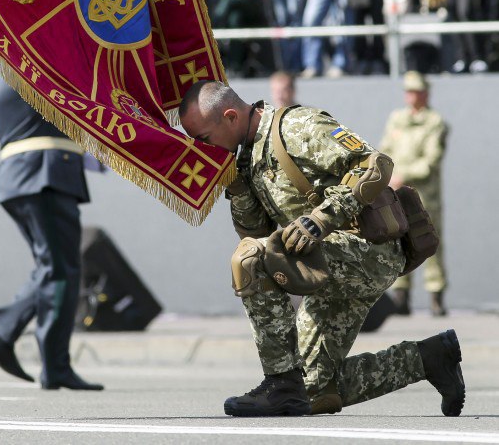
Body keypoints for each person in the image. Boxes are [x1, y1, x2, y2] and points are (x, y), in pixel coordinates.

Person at [178, 80, 464, 417]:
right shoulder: (246, 158)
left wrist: (321, 219)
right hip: (326, 262)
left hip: (368, 249)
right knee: (312, 390)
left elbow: (375, 165)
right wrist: (237, 186)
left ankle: (279, 383)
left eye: (204, 140)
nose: (203, 149)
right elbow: (256, 230)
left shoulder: (297, 127)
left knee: (251, 259)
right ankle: (430, 358)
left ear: (229, 117)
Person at [0, 73, 103, 391]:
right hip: (44, 171)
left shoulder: (6, 64)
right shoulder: (29, 57)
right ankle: (55, 365)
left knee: (52, 267)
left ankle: (3, 334)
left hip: (26, 173)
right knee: (62, 271)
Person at [380, 71, 449, 316]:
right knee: (398, 241)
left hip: (424, 195)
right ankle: (401, 296)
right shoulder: (397, 118)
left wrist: (403, 173)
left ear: (425, 93)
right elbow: (385, 151)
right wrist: (389, 174)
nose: (412, 96)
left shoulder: (434, 121)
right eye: (408, 91)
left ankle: (436, 296)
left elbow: (430, 161)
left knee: (429, 241)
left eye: (416, 91)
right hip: (397, 192)